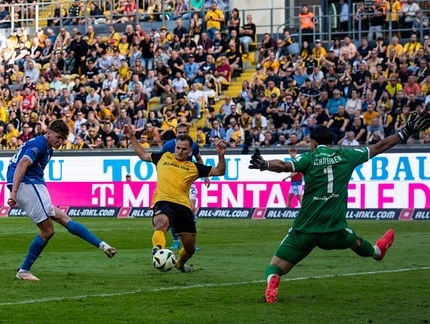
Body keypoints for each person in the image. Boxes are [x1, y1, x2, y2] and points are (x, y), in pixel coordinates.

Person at [249, 111, 430, 303]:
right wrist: (405, 132)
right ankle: (377, 252)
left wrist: (265, 164)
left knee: (274, 268)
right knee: (355, 241)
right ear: (331, 142)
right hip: (335, 230)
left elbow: (284, 166)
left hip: (304, 230)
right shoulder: (347, 155)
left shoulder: (309, 158)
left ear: (312, 142)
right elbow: (380, 146)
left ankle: (273, 282)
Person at [7, 119, 117, 281]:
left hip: (34, 183)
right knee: (48, 231)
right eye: (57, 137)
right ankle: (24, 270)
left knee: (63, 218)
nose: (60, 141)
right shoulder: (41, 145)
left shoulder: (48, 149)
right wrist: (14, 192)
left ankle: (103, 245)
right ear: (48, 133)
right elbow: (22, 164)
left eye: (62, 139)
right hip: (27, 184)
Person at [122, 124, 227, 273]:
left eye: (184, 149)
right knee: (160, 223)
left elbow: (220, 171)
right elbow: (143, 155)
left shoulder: (193, 167)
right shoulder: (164, 157)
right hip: (164, 201)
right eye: (178, 148)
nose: (180, 151)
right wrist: (131, 136)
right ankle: (157, 250)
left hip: (183, 207)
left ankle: (179, 263)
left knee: (190, 248)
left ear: (190, 151)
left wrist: (221, 155)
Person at [159, 123, 210, 250]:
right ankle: (176, 240)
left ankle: (191, 242)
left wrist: (205, 176)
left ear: (188, 132)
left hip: (188, 181)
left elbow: (199, 159)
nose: (182, 134)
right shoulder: (168, 146)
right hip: (172, 183)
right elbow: (160, 160)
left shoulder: (193, 145)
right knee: (172, 212)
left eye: (184, 132)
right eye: (180, 132)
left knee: (191, 209)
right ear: (176, 133)